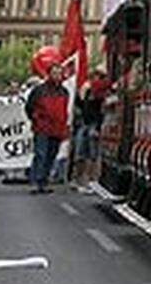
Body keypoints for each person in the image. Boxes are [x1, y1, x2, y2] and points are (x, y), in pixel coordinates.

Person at [24, 63, 69, 194]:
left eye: (59, 73)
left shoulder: (64, 92)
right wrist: (36, 120)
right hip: (42, 128)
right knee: (40, 154)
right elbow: (29, 107)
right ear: (49, 74)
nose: (57, 76)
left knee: (51, 155)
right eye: (55, 73)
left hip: (57, 129)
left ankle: (44, 181)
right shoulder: (39, 90)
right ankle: (36, 181)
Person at [72, 69, 108, 190]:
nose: (93, 79)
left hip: (94, 124)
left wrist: (98, 127)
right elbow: (81, 106)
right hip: (85, 123)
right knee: (81, 153)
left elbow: (101, 111)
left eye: (96, 77)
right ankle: (80, 180)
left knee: (93, 154)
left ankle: (92, 181)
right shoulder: (87, 91)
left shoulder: (101, 93)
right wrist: (80, 95)